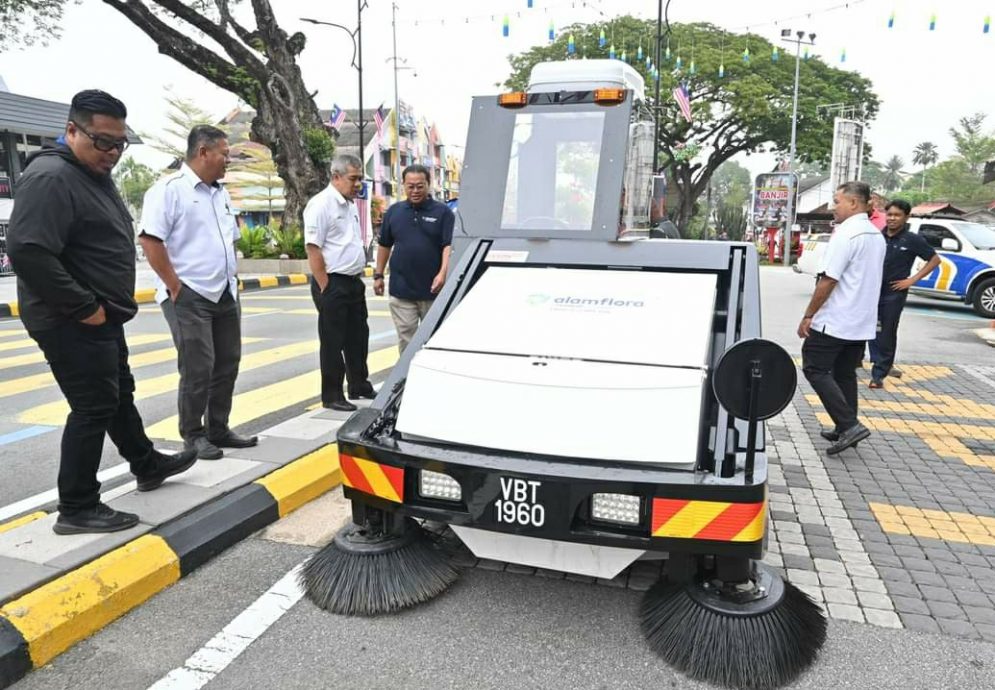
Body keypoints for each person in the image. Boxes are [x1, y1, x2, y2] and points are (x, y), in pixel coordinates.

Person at [6, 90, 197, 534]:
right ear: (72, 130)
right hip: (71, 319)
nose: (111, 153)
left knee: (117, 394)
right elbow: (28, 250)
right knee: (92, 406)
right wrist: (85, 307)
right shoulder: (52, 177)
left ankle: (146, 464)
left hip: (102, 315)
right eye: (102, 142)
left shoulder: (88, 171)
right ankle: (77, 505)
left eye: (119, 144)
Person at [139, 125, 257, 459]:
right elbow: (150, 239)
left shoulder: (220, 193)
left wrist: (232, 279)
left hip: (224, 292)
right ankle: (193, 433)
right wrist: (175, 286)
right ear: (203, 152)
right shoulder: (168, 190)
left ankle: (218, 428)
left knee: (228, 362)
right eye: (224, 154)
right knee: (198, 366)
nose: (227, 161)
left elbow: (229, 241)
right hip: (189, 294)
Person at [798, 181, 885, 455]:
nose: (833, 207)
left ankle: (849, 425)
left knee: (814, 368)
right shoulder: (875, 235)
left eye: (837, 201)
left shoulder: (846, 235)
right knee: (844, 373)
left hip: (836, 319)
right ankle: (844, 426)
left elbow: (828, 281)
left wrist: (809, 314)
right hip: (861, 321)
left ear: (854, 203)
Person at [304, 154, 376, 412]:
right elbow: (313, 248)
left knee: (358, 337)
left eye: (360, 179)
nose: (358, 184)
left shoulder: (348, 205)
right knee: (333, 341)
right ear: (336, 177)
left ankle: (359, 384)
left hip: (353, 282)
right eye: (353, 179)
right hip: (333, 282)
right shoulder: (321, 204)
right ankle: (332, 394)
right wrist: (325, 285)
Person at [374, 164, 454, 354]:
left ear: (428, 184)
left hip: (433, 291)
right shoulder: (394, 212)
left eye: (420, 186)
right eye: (410, 186)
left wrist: (443, 274)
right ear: (403, 185)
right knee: (407, 341)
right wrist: (378, 275)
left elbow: (448, 246)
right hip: (401, 291)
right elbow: (385, 244)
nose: (415, 190)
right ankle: (406, 380)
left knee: (433, 340)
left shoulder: (443, 213)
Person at [867, 199, 941, 388]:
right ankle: (877, 361)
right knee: (871, 328)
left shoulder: (912, 240)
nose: (892, 218)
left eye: (897, 215)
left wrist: (912, 280)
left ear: (906, 217)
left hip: (894, 293)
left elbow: (934, 260)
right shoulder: (877, 236)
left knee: (887, 331)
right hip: (873, 290)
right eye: (889, 214)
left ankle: (878, 374)